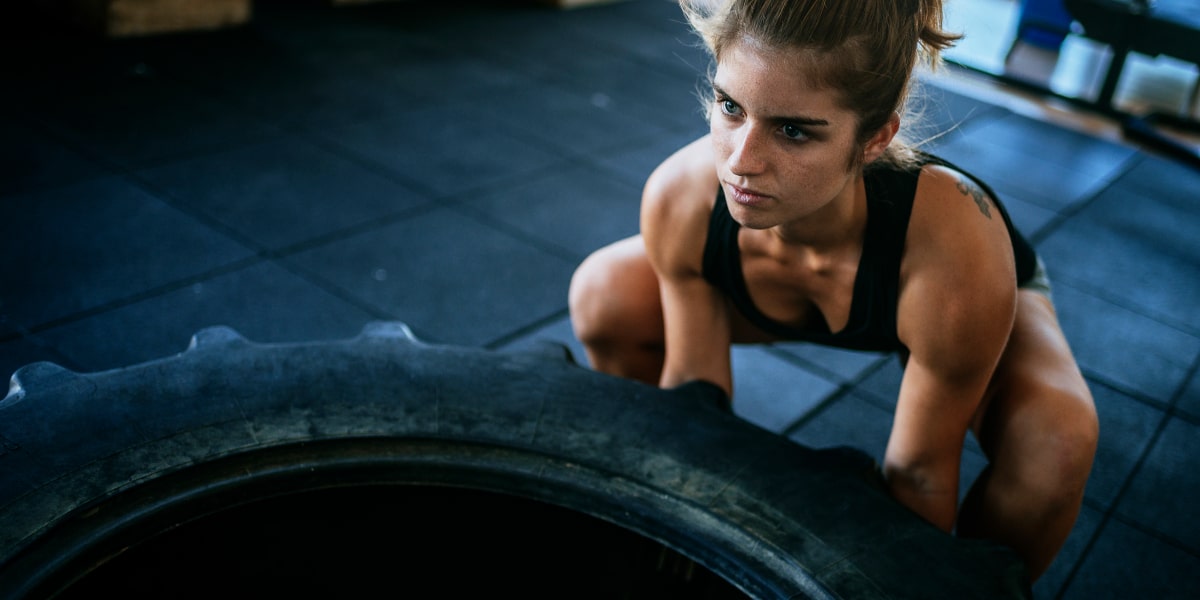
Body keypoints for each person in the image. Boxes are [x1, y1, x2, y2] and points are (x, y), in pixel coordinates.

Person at [568, 0, 1099, 583]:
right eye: (730, 107)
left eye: (793, 130)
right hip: (776, 281)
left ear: (875, 137)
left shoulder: (959, 251)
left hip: (933, 295)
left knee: (1056, 443)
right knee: (604, 293)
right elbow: (697, 406)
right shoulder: (680, 196)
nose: (742, 162)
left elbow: (919, 474)